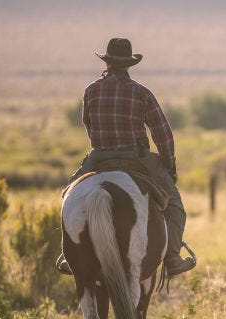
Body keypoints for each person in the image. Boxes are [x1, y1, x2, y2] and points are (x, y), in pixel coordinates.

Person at [57, 38, 195, 277]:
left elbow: (88, 125)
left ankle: (72, 254)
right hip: (136, 157)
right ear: (129, 64)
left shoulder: (91, 91)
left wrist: (103, 145)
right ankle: (172, 257)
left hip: (99, 156)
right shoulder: (141, 93)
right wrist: (168, 164)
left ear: (107, 62)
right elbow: (163, 133)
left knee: (68, 196)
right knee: (174, 205)